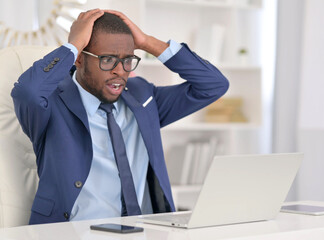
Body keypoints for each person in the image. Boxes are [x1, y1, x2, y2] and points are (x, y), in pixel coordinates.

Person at [11, 9, 228, 225]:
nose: (120, 71)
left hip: (147, 230)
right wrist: (74, 45)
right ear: (78, 59)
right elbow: (27, 92)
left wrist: (147, 42)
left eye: (127, 60)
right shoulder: (51, 104)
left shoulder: (142, 96)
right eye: (108, 60)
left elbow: (214, 85)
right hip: (73, 232)